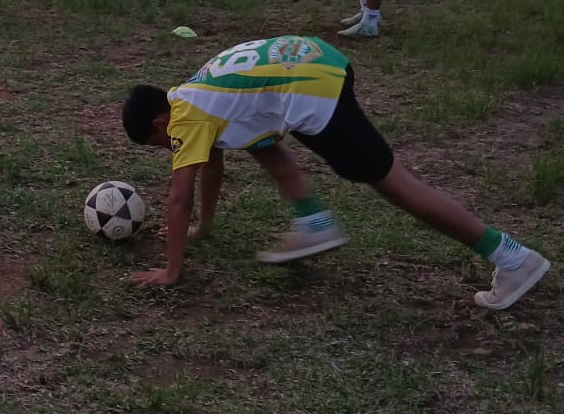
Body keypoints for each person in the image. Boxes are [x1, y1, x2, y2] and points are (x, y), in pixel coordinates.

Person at [120, 34, 551, 311]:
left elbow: (180, 195)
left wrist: (171, 270)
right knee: (265, 149)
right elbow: (211, 166)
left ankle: (511, 257)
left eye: (160, 143)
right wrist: (203, 228)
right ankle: (313, 221)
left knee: (397, 185)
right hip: (318, 62)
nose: (169, 149)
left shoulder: (186, 119)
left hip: (311, 90)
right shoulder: (197, 95)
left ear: (159, 123)